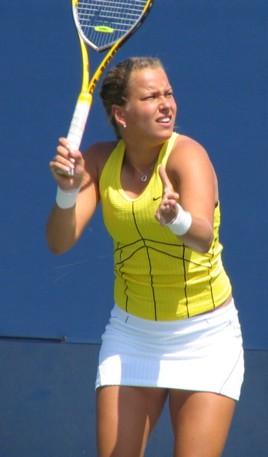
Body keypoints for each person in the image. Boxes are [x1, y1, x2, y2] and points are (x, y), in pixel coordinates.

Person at [46, 57, 244, 457]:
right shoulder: (100, 159)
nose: (166, 104)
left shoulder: (188, 155)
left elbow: (202, 237)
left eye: (168, 93)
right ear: (121, 113)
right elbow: (59, 242)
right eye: (152, 96)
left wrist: (177, 219)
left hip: (205, 336)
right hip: (131, 335)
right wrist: (68, 190)